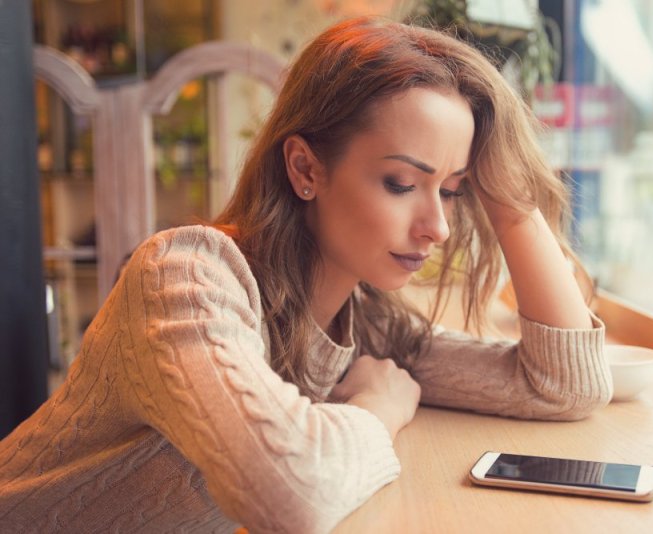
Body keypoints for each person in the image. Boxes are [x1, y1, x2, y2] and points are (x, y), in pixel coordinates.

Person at [0, 17, 611, 533]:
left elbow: (563, 384)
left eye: (452, 191)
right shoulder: (185, 275)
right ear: (304, 169)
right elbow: (288, 492)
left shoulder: (362, 326)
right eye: (402, 184)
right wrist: (377, 408)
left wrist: (510, 199)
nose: (438, 227)